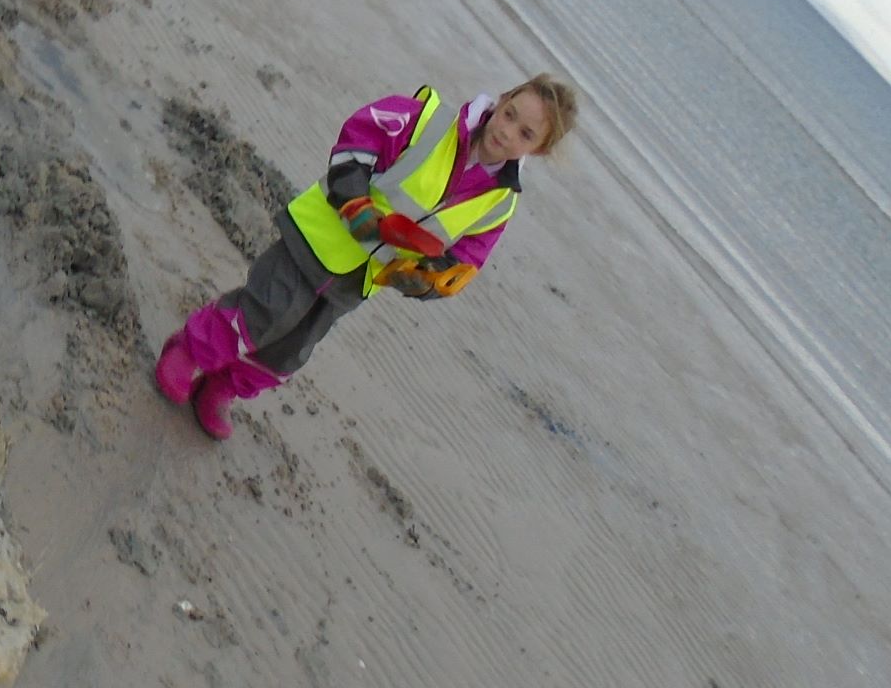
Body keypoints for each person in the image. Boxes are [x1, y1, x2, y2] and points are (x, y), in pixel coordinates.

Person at [155, 76, 579, 439]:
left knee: (293, 347)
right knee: (264, 310)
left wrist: (428, 280)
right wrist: (355, 202)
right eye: (510, 114)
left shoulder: (499, 203)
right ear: (502, 100)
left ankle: (222, 389)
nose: (507, 132)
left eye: (525, 133)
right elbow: (357, 140)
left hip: (361, 277)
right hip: (319, 235)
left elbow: (465, 258)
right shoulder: (428, 121)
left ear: (538, 150)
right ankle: (190, 351)